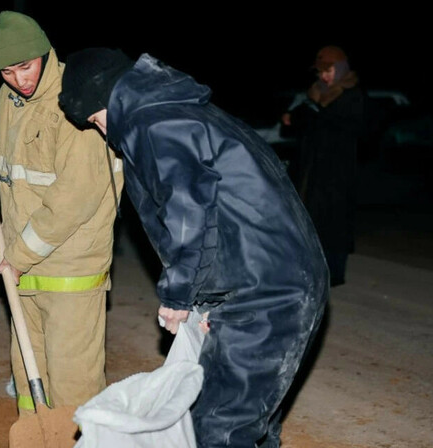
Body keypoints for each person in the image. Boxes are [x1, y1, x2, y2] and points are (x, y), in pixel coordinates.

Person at [58, 48, 329, 447]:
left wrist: (179, 295)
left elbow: (187, 211)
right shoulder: (181, 110)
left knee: (219, 427)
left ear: (107, 99)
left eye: (97, 119)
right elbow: (225, 212)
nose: (102, 132)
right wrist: (208, 302)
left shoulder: (155, 123)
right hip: (274, 280)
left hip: (267, 293)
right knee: (246, 418)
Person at [0, 12, 124, 416]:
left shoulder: (75, 102)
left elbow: (74, 199)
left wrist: (19, 255)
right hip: (24, 268)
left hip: (70, 270)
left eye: (25, 66)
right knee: (31, 374)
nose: (19, 79)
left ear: (45, 53)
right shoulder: (11, 97)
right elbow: (13, 144)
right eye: (8, 71)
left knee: (73, 384)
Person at [281, 45, 366, 287]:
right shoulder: (316, 93)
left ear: (339, 69)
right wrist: (296, 117)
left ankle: (334, 274)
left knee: (334, 224)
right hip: (311, 169)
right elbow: (300, 119)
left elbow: (347, 126)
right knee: (307, 219)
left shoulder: (352, 94)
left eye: (328, 71)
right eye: (321, 72)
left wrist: (313, 116)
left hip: (337, 172)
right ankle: (306, 271)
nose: (324, 76)